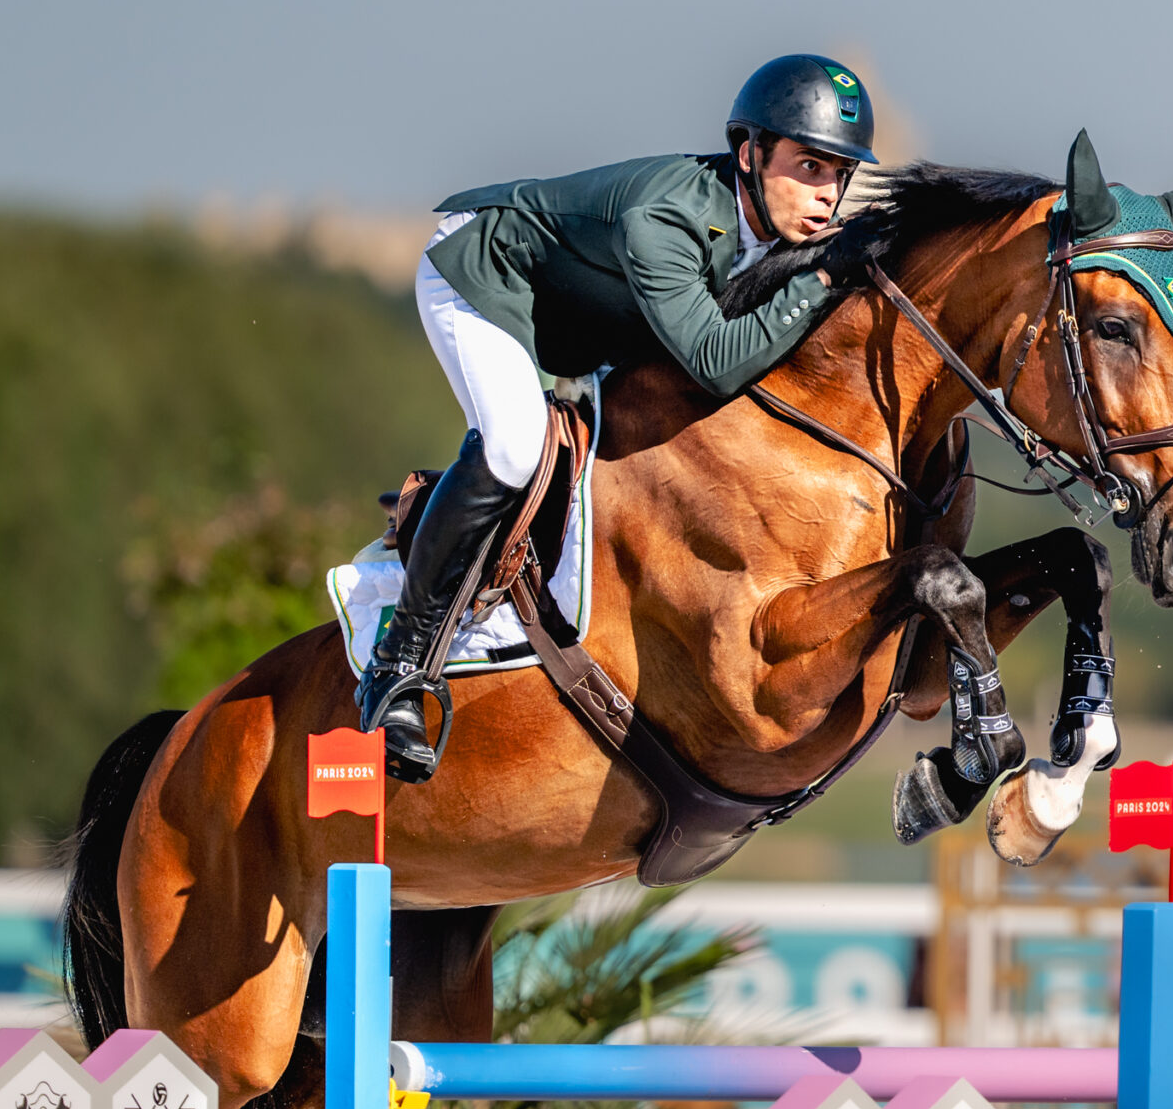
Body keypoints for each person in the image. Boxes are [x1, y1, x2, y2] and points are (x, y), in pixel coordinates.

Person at [355, 53, 888, 781]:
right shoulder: (664, 219)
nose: (826, 193)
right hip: (483, 274)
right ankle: (397, 665)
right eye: (809, 167)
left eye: (838, 174)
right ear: (750, 154)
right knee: (514, 447)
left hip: (579, 316)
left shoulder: (768, 225)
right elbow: (716, 362)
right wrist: (825, 276)